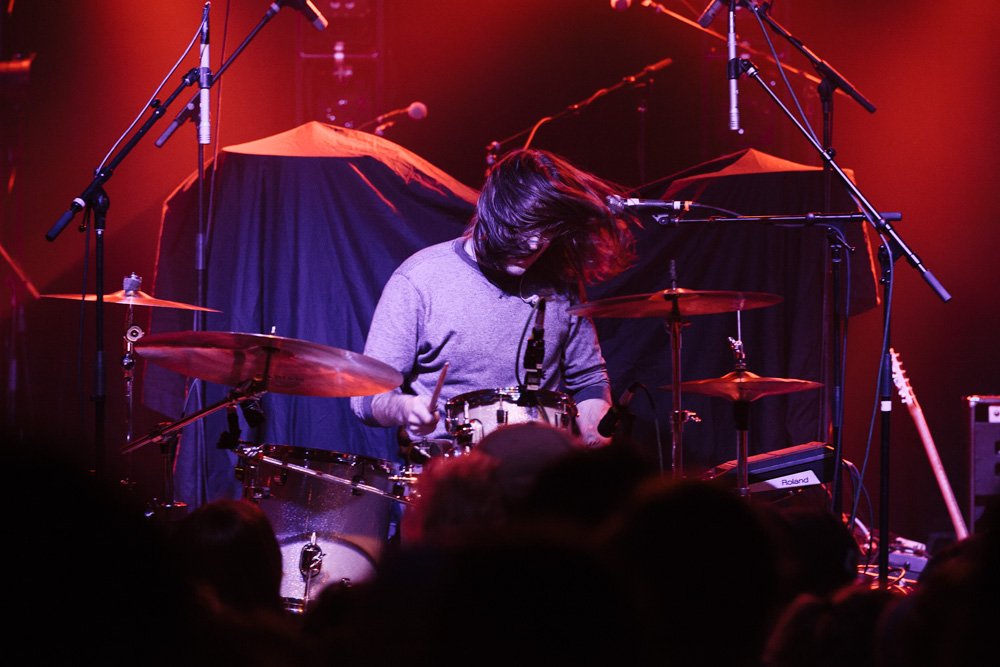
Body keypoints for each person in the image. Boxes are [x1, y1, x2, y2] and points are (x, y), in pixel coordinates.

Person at [350, 148, 635, 447]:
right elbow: (367, 397)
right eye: (524, 227)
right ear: (493, 214)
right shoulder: (419, 279)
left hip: (539, 468)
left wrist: (594, 424)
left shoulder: (561, 283)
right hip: (450, 472)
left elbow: (588, 378)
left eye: (548, 230)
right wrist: (406, 408)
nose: (536, 241)